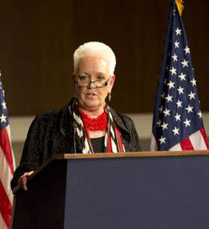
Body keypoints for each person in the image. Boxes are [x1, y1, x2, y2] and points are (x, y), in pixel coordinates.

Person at [11, 41, 142, 190]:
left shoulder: (125, 125)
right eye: (84, 77)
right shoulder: (45, 124)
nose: (91, 85)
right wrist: (26, 178)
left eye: (100, 78)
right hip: (64, 210)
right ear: (75, 80)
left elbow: (139, 176)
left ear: (111, 82)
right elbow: (20, 177)